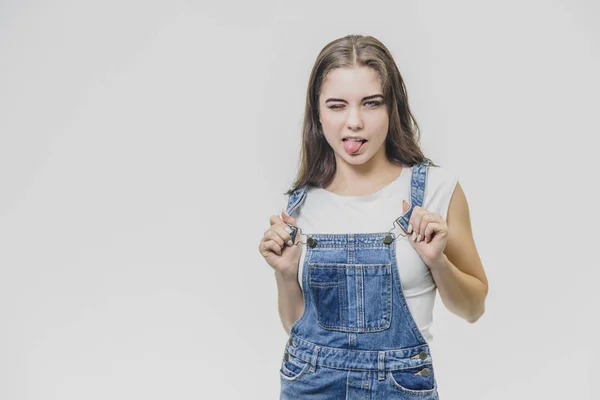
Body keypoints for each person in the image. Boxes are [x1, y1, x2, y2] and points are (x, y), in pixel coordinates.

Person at [258, 34, 488, 399]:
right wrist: (286, 275)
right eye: (336, 106)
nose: (354, 122)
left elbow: (474, 308)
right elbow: (297, 328)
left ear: (391, 107)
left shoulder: (435, 190)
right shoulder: (300, 204)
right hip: (310, 385)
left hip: (399, 387)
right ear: (317, 114)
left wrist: (438, 262)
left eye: (371, 103)